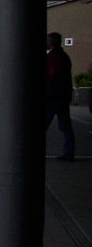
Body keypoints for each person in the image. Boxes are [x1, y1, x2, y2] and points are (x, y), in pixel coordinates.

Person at [45, 32, 75, 161]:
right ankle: (69, 152)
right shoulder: (64, 56)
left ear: (50, 43)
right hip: (63, 95)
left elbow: (51, 75)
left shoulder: (52, 58)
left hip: (53, 96)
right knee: (65, 126)